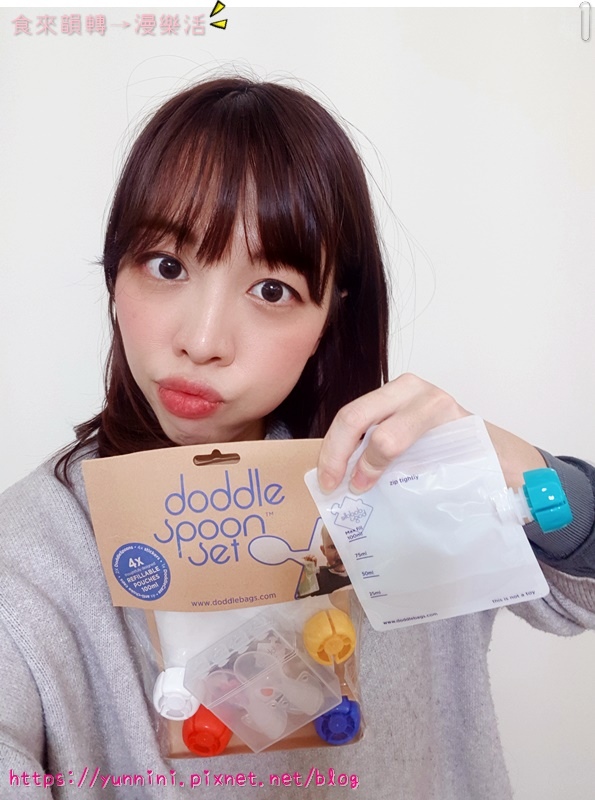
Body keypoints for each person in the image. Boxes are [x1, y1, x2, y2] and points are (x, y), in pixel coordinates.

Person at [1, 76, 594, 799]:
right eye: (167, 266)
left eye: (272, 290)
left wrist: (525, 473)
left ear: (331, 314)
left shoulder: (397, 483)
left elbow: (579, 597)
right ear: (115, 273)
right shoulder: (31, 550)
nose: (203, 341)